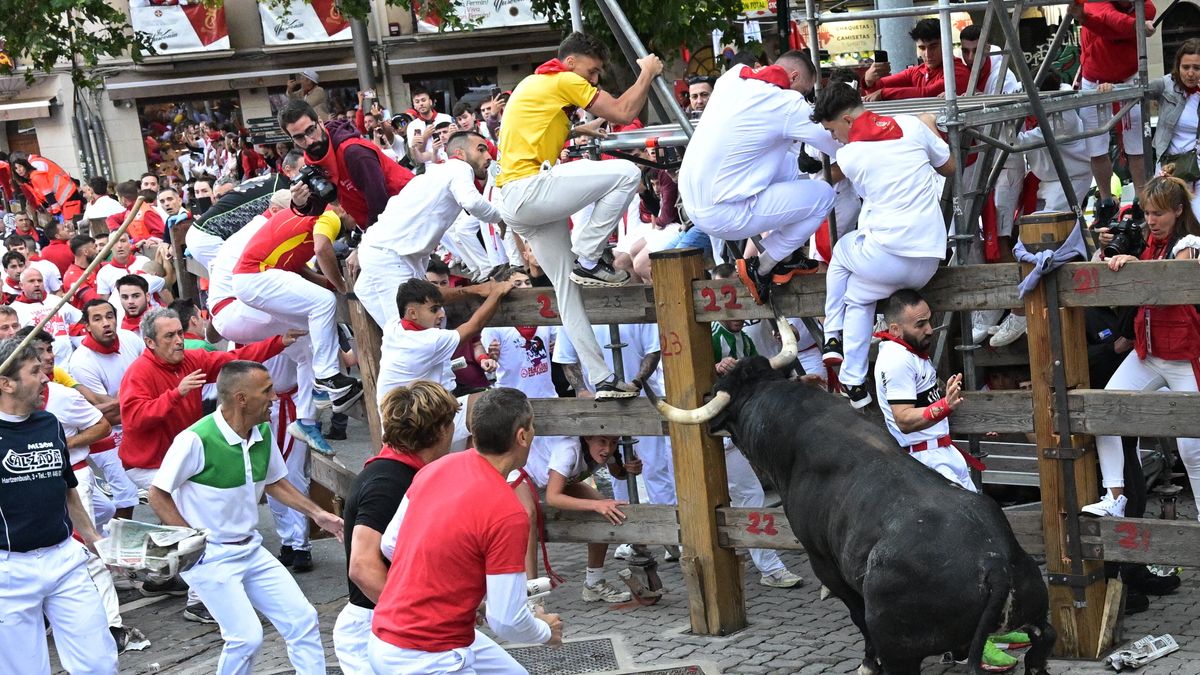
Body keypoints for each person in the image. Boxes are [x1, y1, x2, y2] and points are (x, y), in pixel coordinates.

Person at [496, 32, 663, 399]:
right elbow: (624, 112)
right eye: (592, 71)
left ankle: (602, 379)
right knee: (627, 173)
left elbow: (536, 128)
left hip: (517, 202)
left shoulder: (537, 83)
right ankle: (588, 256)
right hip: (529, 190)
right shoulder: (563, 79)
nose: (595, 79)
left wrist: (577, 129)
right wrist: (648, 72)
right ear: (571, 62)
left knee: (567, 292)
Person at [149, 360, 343, 675]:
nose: (275, 397)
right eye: (267, 391)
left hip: (250, 548)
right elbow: (158, 493)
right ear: (241, 399)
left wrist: (319, 514)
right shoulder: (195, 439)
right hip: (210, 555)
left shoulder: (263, 431)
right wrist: (193, 542)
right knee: (246, 639)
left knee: (302, 619)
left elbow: (275, 482)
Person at [871, 289, 1029, 670]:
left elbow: (921, 404)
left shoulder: (910, 352)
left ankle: (990, 628)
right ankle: (969, 642)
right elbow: (905, 419)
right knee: (960, 557)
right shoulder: (895, 359)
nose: (930, 328)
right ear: (896, 328)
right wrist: (945, 404)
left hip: (943, 456)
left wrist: (945, 395)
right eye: (920, 323)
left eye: (929, 319)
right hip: (926, 463)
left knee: (980, 541)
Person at [369, 387, 563, 672]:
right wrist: (545, 631)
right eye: (532, 427)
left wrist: (457, 593)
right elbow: (507, 620)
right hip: (427, 656)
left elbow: (390, 544)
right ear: (522, 436)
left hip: (384, 639)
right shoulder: (508, 513)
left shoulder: (435, 468)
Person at [811, 84, 955, 408]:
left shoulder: (849, 156)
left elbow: (840, 176)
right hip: (928, 260)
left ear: (847, 120)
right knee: (858, 296)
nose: (835, 139)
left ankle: (832, 334)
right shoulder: (912, 126)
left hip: (888, 256)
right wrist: (929, 124)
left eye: (833, 131)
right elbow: (949, 167)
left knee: (841, 252)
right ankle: (853, 382)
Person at [678, 50, 839, 305]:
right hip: (724, 213)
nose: (805, 99)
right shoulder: (788, 103)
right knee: (825, 196)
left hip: (693, 202)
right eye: (806, 92)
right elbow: (836, 142)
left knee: (793, 168)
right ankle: (763, 266)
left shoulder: (731, 78)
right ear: (794, 78)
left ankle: (787, 254)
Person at [1083, 176, 1200, 518]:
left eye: (1159, 213)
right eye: (1148, 213)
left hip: (1186, 356)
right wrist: (1108, 250)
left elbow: (1175, 283)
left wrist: (1137, 268)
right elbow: (1100, 272)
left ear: (1178, 211)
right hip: (1149, 354)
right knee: (1105, 411)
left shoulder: (1189, 243)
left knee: (1191, 448)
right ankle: (1114, 497)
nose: (1151, 220)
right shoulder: (1145, 242)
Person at [0, 337, 118, 675]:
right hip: (10, 571)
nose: (45, 378)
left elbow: (67, 489)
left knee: (99, 664)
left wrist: (94, 539)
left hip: (65, 559)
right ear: (6, 383)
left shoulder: (49, 423)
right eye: (34, 371)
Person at [333, 381, 459, 674]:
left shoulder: (404, 472)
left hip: (396, 619)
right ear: (441, 430)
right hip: (375, 626)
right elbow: (362, 567)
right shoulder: (387, 482)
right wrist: (419, 619)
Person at [356, 131, 503, 328]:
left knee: (403, 326)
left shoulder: (435, 173)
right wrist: (501, 219)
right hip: (391, 255)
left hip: (381, 250)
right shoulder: (459, 168)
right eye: (481, 149)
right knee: (411, 331)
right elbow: (471, 202)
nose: (488, 156)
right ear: (459, 154)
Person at [230, 202, 362, 410]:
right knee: (324, 302)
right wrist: (342, 286)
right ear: (344, 208)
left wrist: (331, 283)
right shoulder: (329, 214)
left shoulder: (306, 217)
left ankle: (324, 393)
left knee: (310, 329)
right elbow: (321, 249)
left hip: (251, 278)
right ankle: (327, 376)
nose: (358, 224)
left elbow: (298, 269)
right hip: (256, 275)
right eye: (358, 217)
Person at [377, 278, 513, 449]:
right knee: (491, 405)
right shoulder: (428, 341)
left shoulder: (393, 325)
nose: (441, 314)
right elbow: (475, 326)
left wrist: (477, 289)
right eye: (434, 310)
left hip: (403, 418)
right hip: (414, 424)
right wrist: (497, 292)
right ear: (412, 313)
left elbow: (436, 297)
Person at [1069, 0, 1156, 220]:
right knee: (1096, 147)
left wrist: (1088, 20)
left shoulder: (1145, 7)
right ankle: (1106, 200)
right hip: (1094, 80)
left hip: (1129, 77)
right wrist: (1136, 26)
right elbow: (1107, 19)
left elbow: (1110, 25)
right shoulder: (1099, 4)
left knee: (1137, 146)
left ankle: (1140, 198)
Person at [68, 298, 147, 520]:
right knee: (127, 493)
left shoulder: (131, 339)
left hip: (140, 420)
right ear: (87, 326)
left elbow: (152, 375)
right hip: (106, 433)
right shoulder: (81, 361)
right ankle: (119, 535)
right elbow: (105, 414)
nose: (106, 323)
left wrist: (133, 402)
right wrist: (141, 401)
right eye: (97, 319)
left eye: (109, 316)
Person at [279, 100, 413, 229]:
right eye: (299, 137)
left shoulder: (353, 152)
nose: (309, 141)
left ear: (320, 122)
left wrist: (368, 238)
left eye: (311, 130)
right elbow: (320, 203)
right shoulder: (312, 157)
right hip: (387, 220)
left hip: (409, 209)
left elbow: (380, 205)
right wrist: (301, 203)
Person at [184, 155, 302, 273]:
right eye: (303, 169)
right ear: (288, 170)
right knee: (239, 276)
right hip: (208, 237)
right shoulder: (282, 190)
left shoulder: (273, 178)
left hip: (204, 234)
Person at [1145, 38, 1200, 215]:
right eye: (1186, 67)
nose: (1190, 73)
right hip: (1168, 168)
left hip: (1197, 170)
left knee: (1196, 219)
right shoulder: (1167, 84)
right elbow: (1138, 90)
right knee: (1166, 219)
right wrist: (1109, 86)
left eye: (1197, 68)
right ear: (1178, 66)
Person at [862, 18, 971, 101]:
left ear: (946, 44)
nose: (927, 54)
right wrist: (868, 80)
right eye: (922, 48)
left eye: (933, 47)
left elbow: (928, 93)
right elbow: (878, 87)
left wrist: (883, 93)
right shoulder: (916, 72)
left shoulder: (958, 72)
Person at [11, 266, 83, 366]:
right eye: (31, 281)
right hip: (40, 368)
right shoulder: (15, 310)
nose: (37, 284)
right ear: (21, 285)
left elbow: (81, 319)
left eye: (40, 281)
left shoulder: (56, 301)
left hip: (68, 365)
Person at [406, 88, 455, 171]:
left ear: (430, 102)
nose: (421, 104)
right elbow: (415, 157)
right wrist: (425, 137)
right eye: (417, 102)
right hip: (428, 167)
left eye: (423, 100)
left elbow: (457, 141)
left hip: (450, 162)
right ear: (414, 106)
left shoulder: (446, 118)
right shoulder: (412, 126)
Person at [63, 234, 102, 310]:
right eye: (94, 248)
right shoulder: (72, 277)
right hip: (87, 315)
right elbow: (95, 302)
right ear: (86, 252)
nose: (97, 251)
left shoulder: (95, 267)